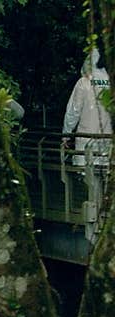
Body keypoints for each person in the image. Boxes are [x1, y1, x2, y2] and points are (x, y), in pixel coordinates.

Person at [62, 47, 112, 244]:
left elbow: (73, 112)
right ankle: (104, 212)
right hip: (107, 142)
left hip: (86, 144)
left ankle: (94, 213)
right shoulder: (109, 83)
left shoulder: (83, 83)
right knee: (105, 175)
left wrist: (66, 135)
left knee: (90, 179)